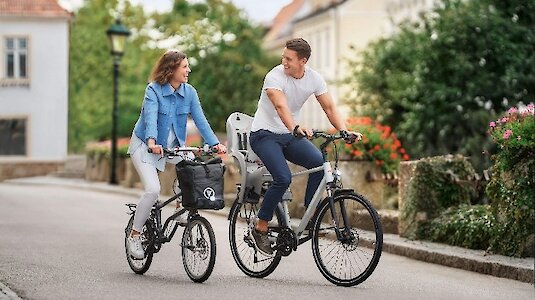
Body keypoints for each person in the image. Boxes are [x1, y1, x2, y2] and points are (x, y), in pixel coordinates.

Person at [248, 38, 362, 255]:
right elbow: (281, 107)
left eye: (289, 59)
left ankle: (311, 215)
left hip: (290, 135)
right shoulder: (274, 76)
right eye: (283, 57)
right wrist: (296, 127)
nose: (284, 62)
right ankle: (261, 225)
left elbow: (329, 107)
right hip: (265, 135)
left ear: (303, 61)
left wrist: (344, 130)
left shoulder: (314, 78)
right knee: (283, 178)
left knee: (319, 163)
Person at [126, 49, 226, 259]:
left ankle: (180, 207)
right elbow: (151, 117)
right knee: (153, 190)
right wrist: (152, 141)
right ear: (171, 69)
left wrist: (215, 144)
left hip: (172, 146)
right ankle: (135, 234)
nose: (188, 70)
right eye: (184, 66)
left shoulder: (189, 92)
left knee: (193, 168)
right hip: (145, 145)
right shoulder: (153, 90)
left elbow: (200, 120)